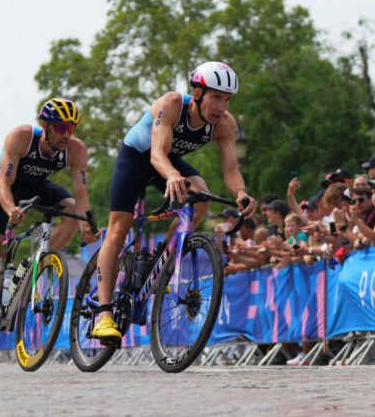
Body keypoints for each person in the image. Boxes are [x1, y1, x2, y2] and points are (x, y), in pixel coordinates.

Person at [90, 62, 258, 343]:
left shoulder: (225, 124)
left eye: (227, 99)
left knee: (201, 195)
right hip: (138, 158)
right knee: (119, 229)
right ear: (197, 93)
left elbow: (231, 170)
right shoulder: (170, 105)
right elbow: (157, 153)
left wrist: (241, 193)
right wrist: (170, 175)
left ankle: (161, 261)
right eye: (216, 97)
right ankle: (104, 315)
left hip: (170, 163)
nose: (222, 106)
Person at [0, 99, 99, 349]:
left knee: (70, 209)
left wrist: (87, 222)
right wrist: (10, 208)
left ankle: (38, 262)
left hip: (36, 184)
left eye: (71, 127)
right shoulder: (22, 137)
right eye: (60, 127)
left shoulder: (76, 150)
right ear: (45, 125)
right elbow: (4, 183)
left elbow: (81, 194)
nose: (66, 134)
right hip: (5, 184)